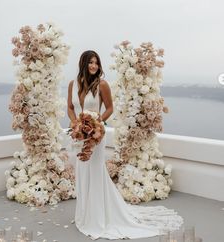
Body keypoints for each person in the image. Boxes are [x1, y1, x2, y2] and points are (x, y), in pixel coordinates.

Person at [67, 50, 183, 240]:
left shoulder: (102, 85)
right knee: (82, 172)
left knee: (95, 172)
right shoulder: (73, 85)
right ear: (83, 64)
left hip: (96, 135)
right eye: (90, 63)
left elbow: (110, 108)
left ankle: (96, 218)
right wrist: (75, 124)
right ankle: (84, 213)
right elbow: (70, 109)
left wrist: (96, 122)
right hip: (79, 136)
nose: (94, 66)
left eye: (96, 62)